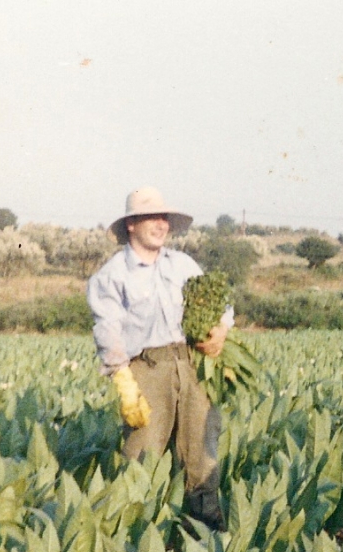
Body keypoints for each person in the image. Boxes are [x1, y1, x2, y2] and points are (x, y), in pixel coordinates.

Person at [87, 186, 233, 531]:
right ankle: (136, 539)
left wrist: (221, 329)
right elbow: (107, 329)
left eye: (163, 217)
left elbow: (220, 304)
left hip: (192, 364)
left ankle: (206, 540)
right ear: (131, 225)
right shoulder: (112, 275)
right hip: (146, 369)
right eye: (151, 217)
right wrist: (122, 380)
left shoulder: (183, 264)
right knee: (142, 455)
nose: (160, 223)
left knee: (202, 450)